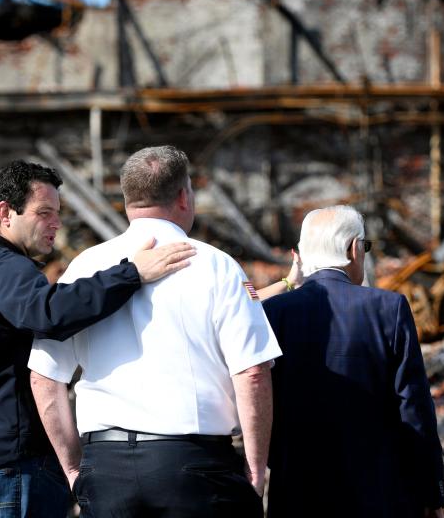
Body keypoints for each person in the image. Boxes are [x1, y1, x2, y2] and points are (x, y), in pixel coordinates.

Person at [0, 160, 196, 518]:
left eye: (58, 213)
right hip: (7, 468)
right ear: (6, 213)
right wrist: (131, 273)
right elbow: (50, 312)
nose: (56, 223)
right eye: (44, 213)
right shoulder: (5, 268)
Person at [28, 145, 281, 518]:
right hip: (194, 467)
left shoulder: (85, 267)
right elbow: (253, 373)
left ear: (128, 200)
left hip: (106, 465)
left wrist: (74, 468)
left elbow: (44, 377)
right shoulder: (217, 266)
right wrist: (256, 469)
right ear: (183, 195)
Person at [262, 205, 444, 518]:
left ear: (301, 256)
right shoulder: (389, 308)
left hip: (296, 492)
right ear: (354, 249)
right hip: (378, 494)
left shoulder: (273, 313)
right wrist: (433, 493)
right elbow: (414, 409)